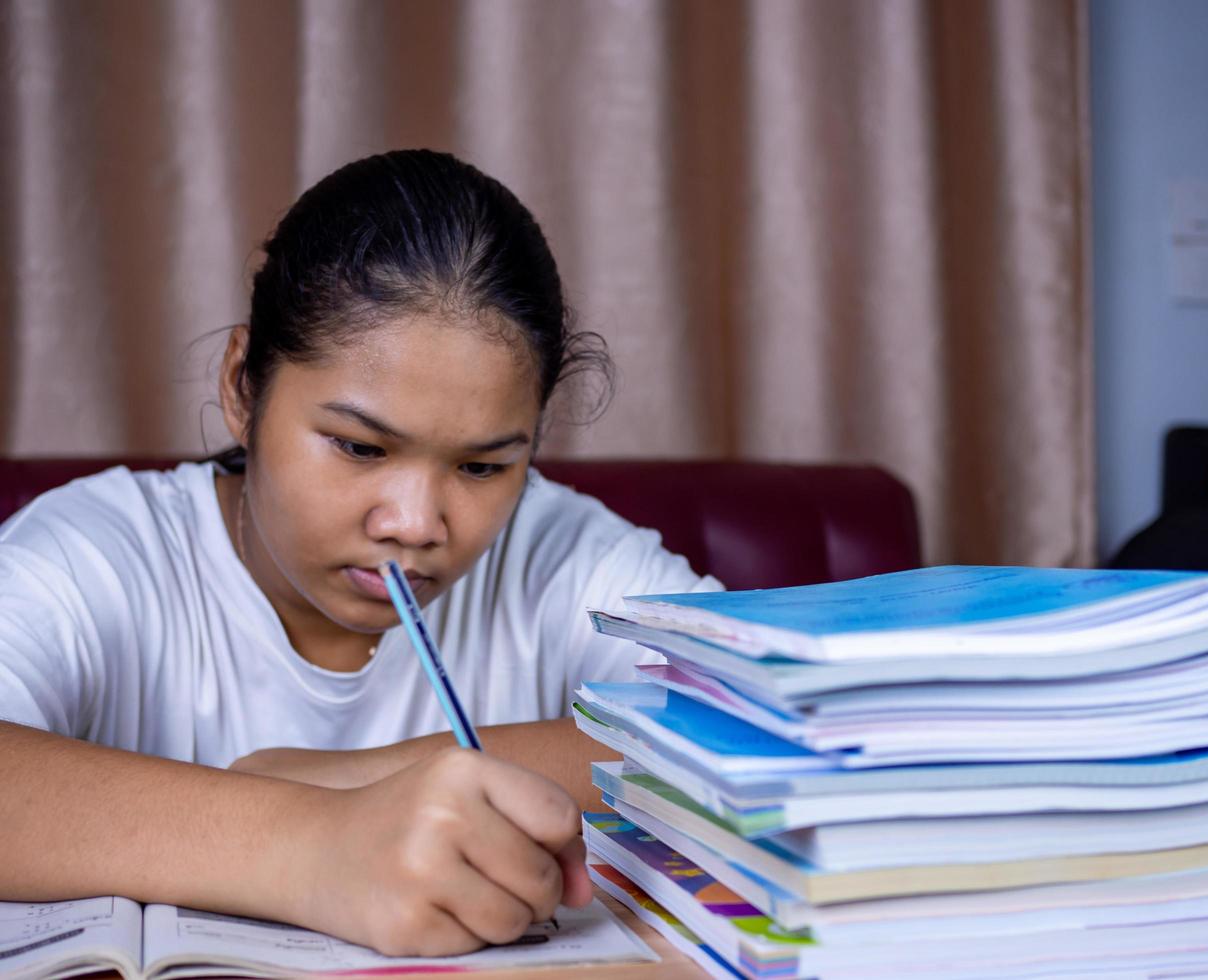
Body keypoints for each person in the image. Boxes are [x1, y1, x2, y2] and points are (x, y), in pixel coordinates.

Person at [0, 149, 720, 956]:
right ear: (243, 384)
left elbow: (766, 734)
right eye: (358, 448)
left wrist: (362, 774)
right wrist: (313, 843)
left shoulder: (562, 552)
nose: (414, 524)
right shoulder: (99, 553)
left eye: (482, 466)